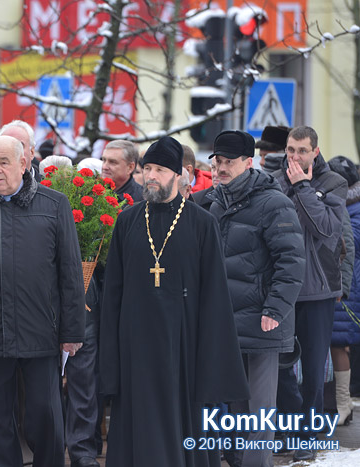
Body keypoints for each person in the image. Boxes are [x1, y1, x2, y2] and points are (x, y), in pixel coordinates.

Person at [99, 135, 249, 467]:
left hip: (185, 346)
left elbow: (216, 298)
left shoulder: (201, 223)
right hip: (135, 345)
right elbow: (113, 294)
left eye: (160, 169)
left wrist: (213, 362)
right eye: (147, 168)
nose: (151, 176)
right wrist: (110, 358)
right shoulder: (127, 221)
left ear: (179, 174)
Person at [0, 135, 85, 467]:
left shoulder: (53, 205)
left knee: (46, 415)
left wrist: (73, 331)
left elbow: (69, 273)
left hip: (41, 332)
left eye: (3, 162)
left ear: (24, 164)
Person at [207, 130, 305, 467]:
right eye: (217, 161)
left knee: (259, 414)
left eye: (228, 162)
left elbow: (292, 262)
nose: (221, 168)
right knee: (235, 407)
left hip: (263, 320)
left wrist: (275, 308)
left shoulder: (274, 203)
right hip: (226, 321)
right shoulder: (215, 200)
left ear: (249, 163)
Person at [272, 125, 346, 461]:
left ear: (315, 151)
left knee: (314, 371)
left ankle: (308, 435)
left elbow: (328, 230)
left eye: (302, 150)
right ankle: (287, 431)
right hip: (281, 289)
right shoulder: (273, 181)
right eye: (291, 150)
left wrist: (303, 186)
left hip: (317, 290)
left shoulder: (333, 183)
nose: (296, 157)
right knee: (282, 367)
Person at [327, 155, 360, 425]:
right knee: (336, 344)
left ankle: (342, 405)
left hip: (348, 285)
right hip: (342, 282)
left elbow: (352, 242)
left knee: (339, 344)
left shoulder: (351, 208)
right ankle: (340, 403)